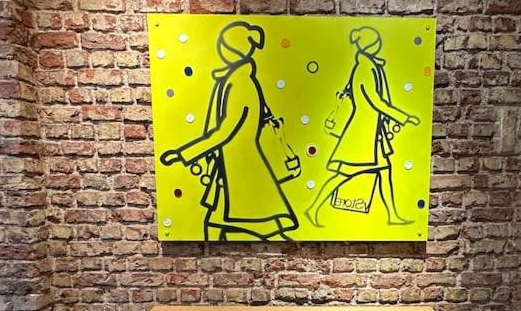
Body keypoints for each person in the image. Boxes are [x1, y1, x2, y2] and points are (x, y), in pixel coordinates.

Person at [160, 21, 298, 241]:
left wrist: (184, 153)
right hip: (232, 170)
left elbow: (225, 131)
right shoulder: (238, 80)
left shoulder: (240, 83)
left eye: (225, 47)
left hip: (241, 171)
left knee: (253, 228)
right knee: (221, 228)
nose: (222, 52)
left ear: (232, 51)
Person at [305, 26, 420, 227]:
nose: (378, 46)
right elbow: (376, 101)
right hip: (364, 132)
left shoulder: (370, 66)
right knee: (344, 173)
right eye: (375, 43)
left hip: (373, 132)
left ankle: (392, 215)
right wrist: (403, 117)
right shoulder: (365, 68)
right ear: (370, 45)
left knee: (384, 170)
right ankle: (313, 208)